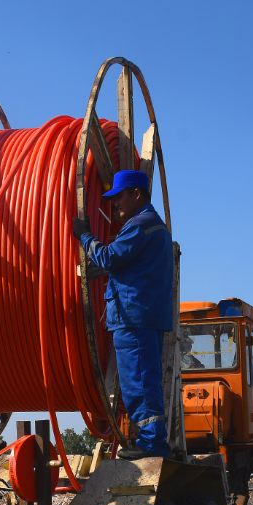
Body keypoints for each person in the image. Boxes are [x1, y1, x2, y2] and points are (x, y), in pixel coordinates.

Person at [72, 169, 172, 458]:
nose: (114, 204)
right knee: (144, 380)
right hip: (146, 316)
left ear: (137, 194)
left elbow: (109, 257)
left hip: (134, 317)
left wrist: (85, 237)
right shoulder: (157, 226)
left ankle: (152, 444)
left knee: (138, 382)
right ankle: (153, 441)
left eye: (119, 196)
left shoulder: (139, 225)